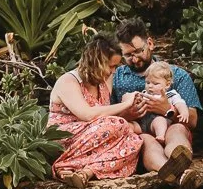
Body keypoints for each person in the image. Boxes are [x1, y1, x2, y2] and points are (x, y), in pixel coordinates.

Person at [107, 19, 199, 181]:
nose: (134, 59)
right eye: (128, 55)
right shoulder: (116, 78)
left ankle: (179, 163)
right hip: (140, 135)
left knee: (177, 130)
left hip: (173, 129)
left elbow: (192, 121)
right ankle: (174, 174)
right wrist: (128, 113)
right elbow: (105, 118)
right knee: (146, 140)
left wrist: (167, 110)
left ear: (149, 43)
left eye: (138, 51)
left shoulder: (177, 75)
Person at [47, 37, 148, 181]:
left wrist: (130, 104)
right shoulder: (68, 81)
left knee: (134, 141)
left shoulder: (103, 81)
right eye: (110, 66)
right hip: (65, 139)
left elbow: (103, 118)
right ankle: (64, 165)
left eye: (115, 67)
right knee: (120, 124)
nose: (113, 72)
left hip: (92, 136)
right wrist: (126, 104)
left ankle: (86, 172)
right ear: (97, 63)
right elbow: (88, 115)